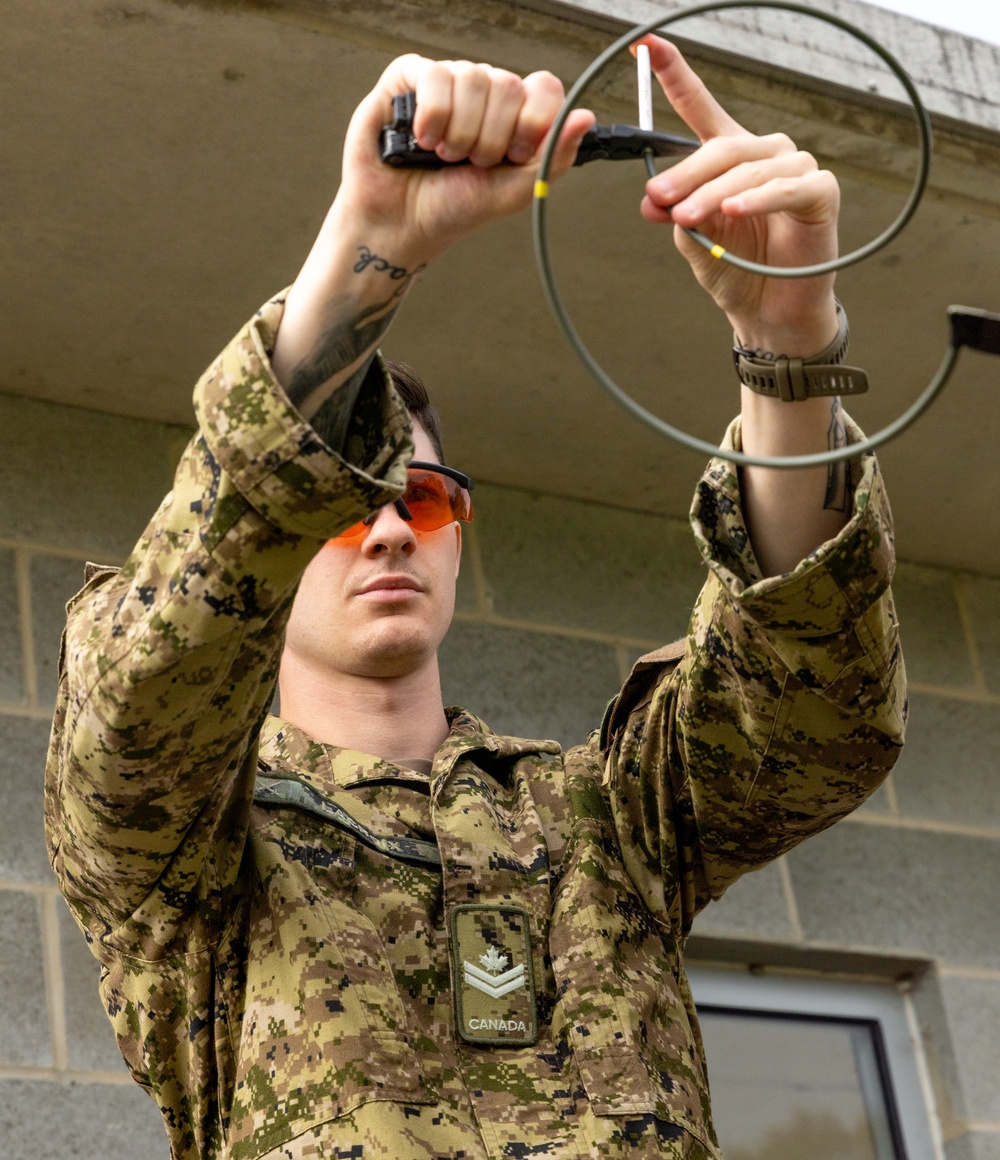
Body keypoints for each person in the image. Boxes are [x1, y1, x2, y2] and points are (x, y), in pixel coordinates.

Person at [44, 36, 904, 1160]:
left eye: (426, 499)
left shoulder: (602, 816)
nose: (393, 526)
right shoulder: (190, 842)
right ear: (282, 528)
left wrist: (787, 346)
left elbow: (812, 715)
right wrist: (371, 246)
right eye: (347, 503)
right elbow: (146, 697)